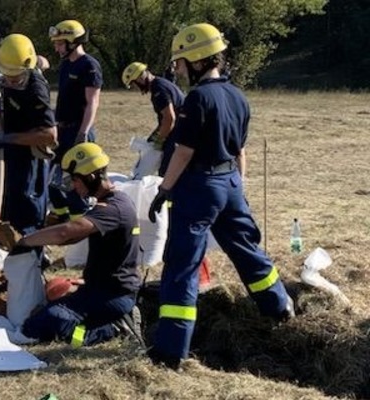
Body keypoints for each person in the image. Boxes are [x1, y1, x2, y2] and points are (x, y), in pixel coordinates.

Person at [147, 23, 295, 368]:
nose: (178, 70)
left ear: (198, 61)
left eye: (181, 62)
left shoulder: (198, 98)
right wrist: (237, 190)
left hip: (199, 187)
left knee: (183, 264)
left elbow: (183, 151)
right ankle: (279, 305)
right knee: (246, 248)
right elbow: (240, 150)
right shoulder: (237, 95)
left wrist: (164, 189)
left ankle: (171, 348)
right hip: (229, 181)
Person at [13, 142, 143, 347]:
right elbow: (73, 237)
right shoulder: (114, 202)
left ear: (90, 177)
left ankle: (115, 328)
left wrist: (25, 240)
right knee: (45, 314)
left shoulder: (112, 209)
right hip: (99, 290)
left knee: (38, 325)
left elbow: (66, 233)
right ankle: (101, 322)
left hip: (112, 295)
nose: (74, 186)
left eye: (75, 179)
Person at [0, 33, 57, 237]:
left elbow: (49, 135)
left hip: (30, 156)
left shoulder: (35, 90)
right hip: (13, 153)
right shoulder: (14, 60)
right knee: (14, 202)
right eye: (7, 74)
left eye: (15, 76)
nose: (10, 80)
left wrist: (10, 139)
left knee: (28, 206)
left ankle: (33, 247)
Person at [48, 20, 103, 223]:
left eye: (60, 43)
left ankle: (82, 224)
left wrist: (82, 134)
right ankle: (62, 218)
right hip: (62, 130)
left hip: (78, 131)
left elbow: (92, 103)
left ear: (73, 42)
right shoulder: (65, 65)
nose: (56, 47)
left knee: (76, 182)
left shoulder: (89, 66)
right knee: (53, 181)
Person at [122, 62, 185, 177]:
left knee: (167, 173)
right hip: (180, 130)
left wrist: (159, 140)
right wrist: (154, 137)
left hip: (179, 133)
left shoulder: (158, 89)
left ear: (140, 78)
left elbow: (169, 118)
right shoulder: (161, 83)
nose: (136, 88)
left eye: (134, 84)